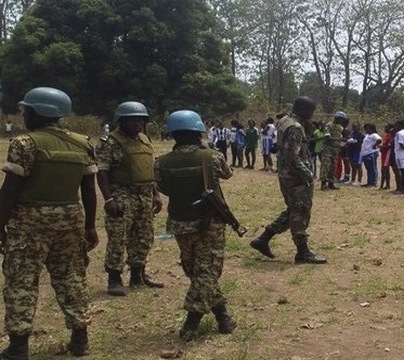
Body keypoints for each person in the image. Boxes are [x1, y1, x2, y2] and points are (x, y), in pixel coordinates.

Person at [0, 87, 98, 358]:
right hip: (70, 220)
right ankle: (80, 339)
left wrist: (0, 225)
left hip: (30, 223)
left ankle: (18, 346)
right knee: (71, 279)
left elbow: (10, 190)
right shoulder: (83, 143)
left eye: (26, 110)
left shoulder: (24, 144)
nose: (24, 115)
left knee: (21, 281)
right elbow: (89, 190)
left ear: (37, 112)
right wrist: (90, 225)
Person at [154, 110, 237, 341]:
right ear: (199, 133)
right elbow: (228, 174)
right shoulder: (212, 157)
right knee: (207, 272)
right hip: (208, 223)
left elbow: (164, 189)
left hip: (180, 223)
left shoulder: (161, 163)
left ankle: (223, 317)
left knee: (199, 272)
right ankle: (191, 323)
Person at [96, 101, 165, 297]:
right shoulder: (109, 142)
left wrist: (156, 194)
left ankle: (138, 274)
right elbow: (102, 173)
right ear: (122, 121)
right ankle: (114, 279)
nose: (138, 124)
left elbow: (147, 169)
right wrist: (109, 200)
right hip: (122, 195)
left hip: (144, 196)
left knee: (144, 236)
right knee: (118, 238)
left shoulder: (144, 139)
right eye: (133, 120)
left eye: (141, 120)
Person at [250, 97, 327, 264]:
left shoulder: (285, 121)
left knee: (293, 209)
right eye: (311, 111)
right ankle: (302, 252)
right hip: (296, 175)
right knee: (301, 210)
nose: (312, 115)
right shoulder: (295, 127)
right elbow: (292, 155)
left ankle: (264, 239)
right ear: (305, 110)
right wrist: (306, 173)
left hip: (285, 173)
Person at [320, 112, 347, 190]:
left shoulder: (340, 128)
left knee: (333, 166)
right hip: (327, 149)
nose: (342, 121)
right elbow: (327, 137)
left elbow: (341, 138)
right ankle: (323, 183)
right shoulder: (329, 125)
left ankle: (331, 183)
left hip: (336, 149)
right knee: (326, 165)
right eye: (341, 119)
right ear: (337, 118)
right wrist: (339, 139)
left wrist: (342, 144)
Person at [360, 123, 382, 188]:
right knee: (368, 169)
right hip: (366, 153)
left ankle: (373, 183)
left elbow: (379, 140)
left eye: (368, 128)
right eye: (365, 128)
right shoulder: (367, 135)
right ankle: (369, 182)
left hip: (371, 153)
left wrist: (375, 145)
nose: (366, 130)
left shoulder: (374, 135)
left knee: (372, 168)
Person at [379, 123, 394, 190]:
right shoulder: (385, 135)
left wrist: (382, 146)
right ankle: (384, 185)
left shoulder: (390, 136)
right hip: (383, 153)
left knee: (385, 169)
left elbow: (390, 145)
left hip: (387, 153)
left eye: (386, 127)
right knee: (384, 170)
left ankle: (385, 185)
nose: (385, 129)